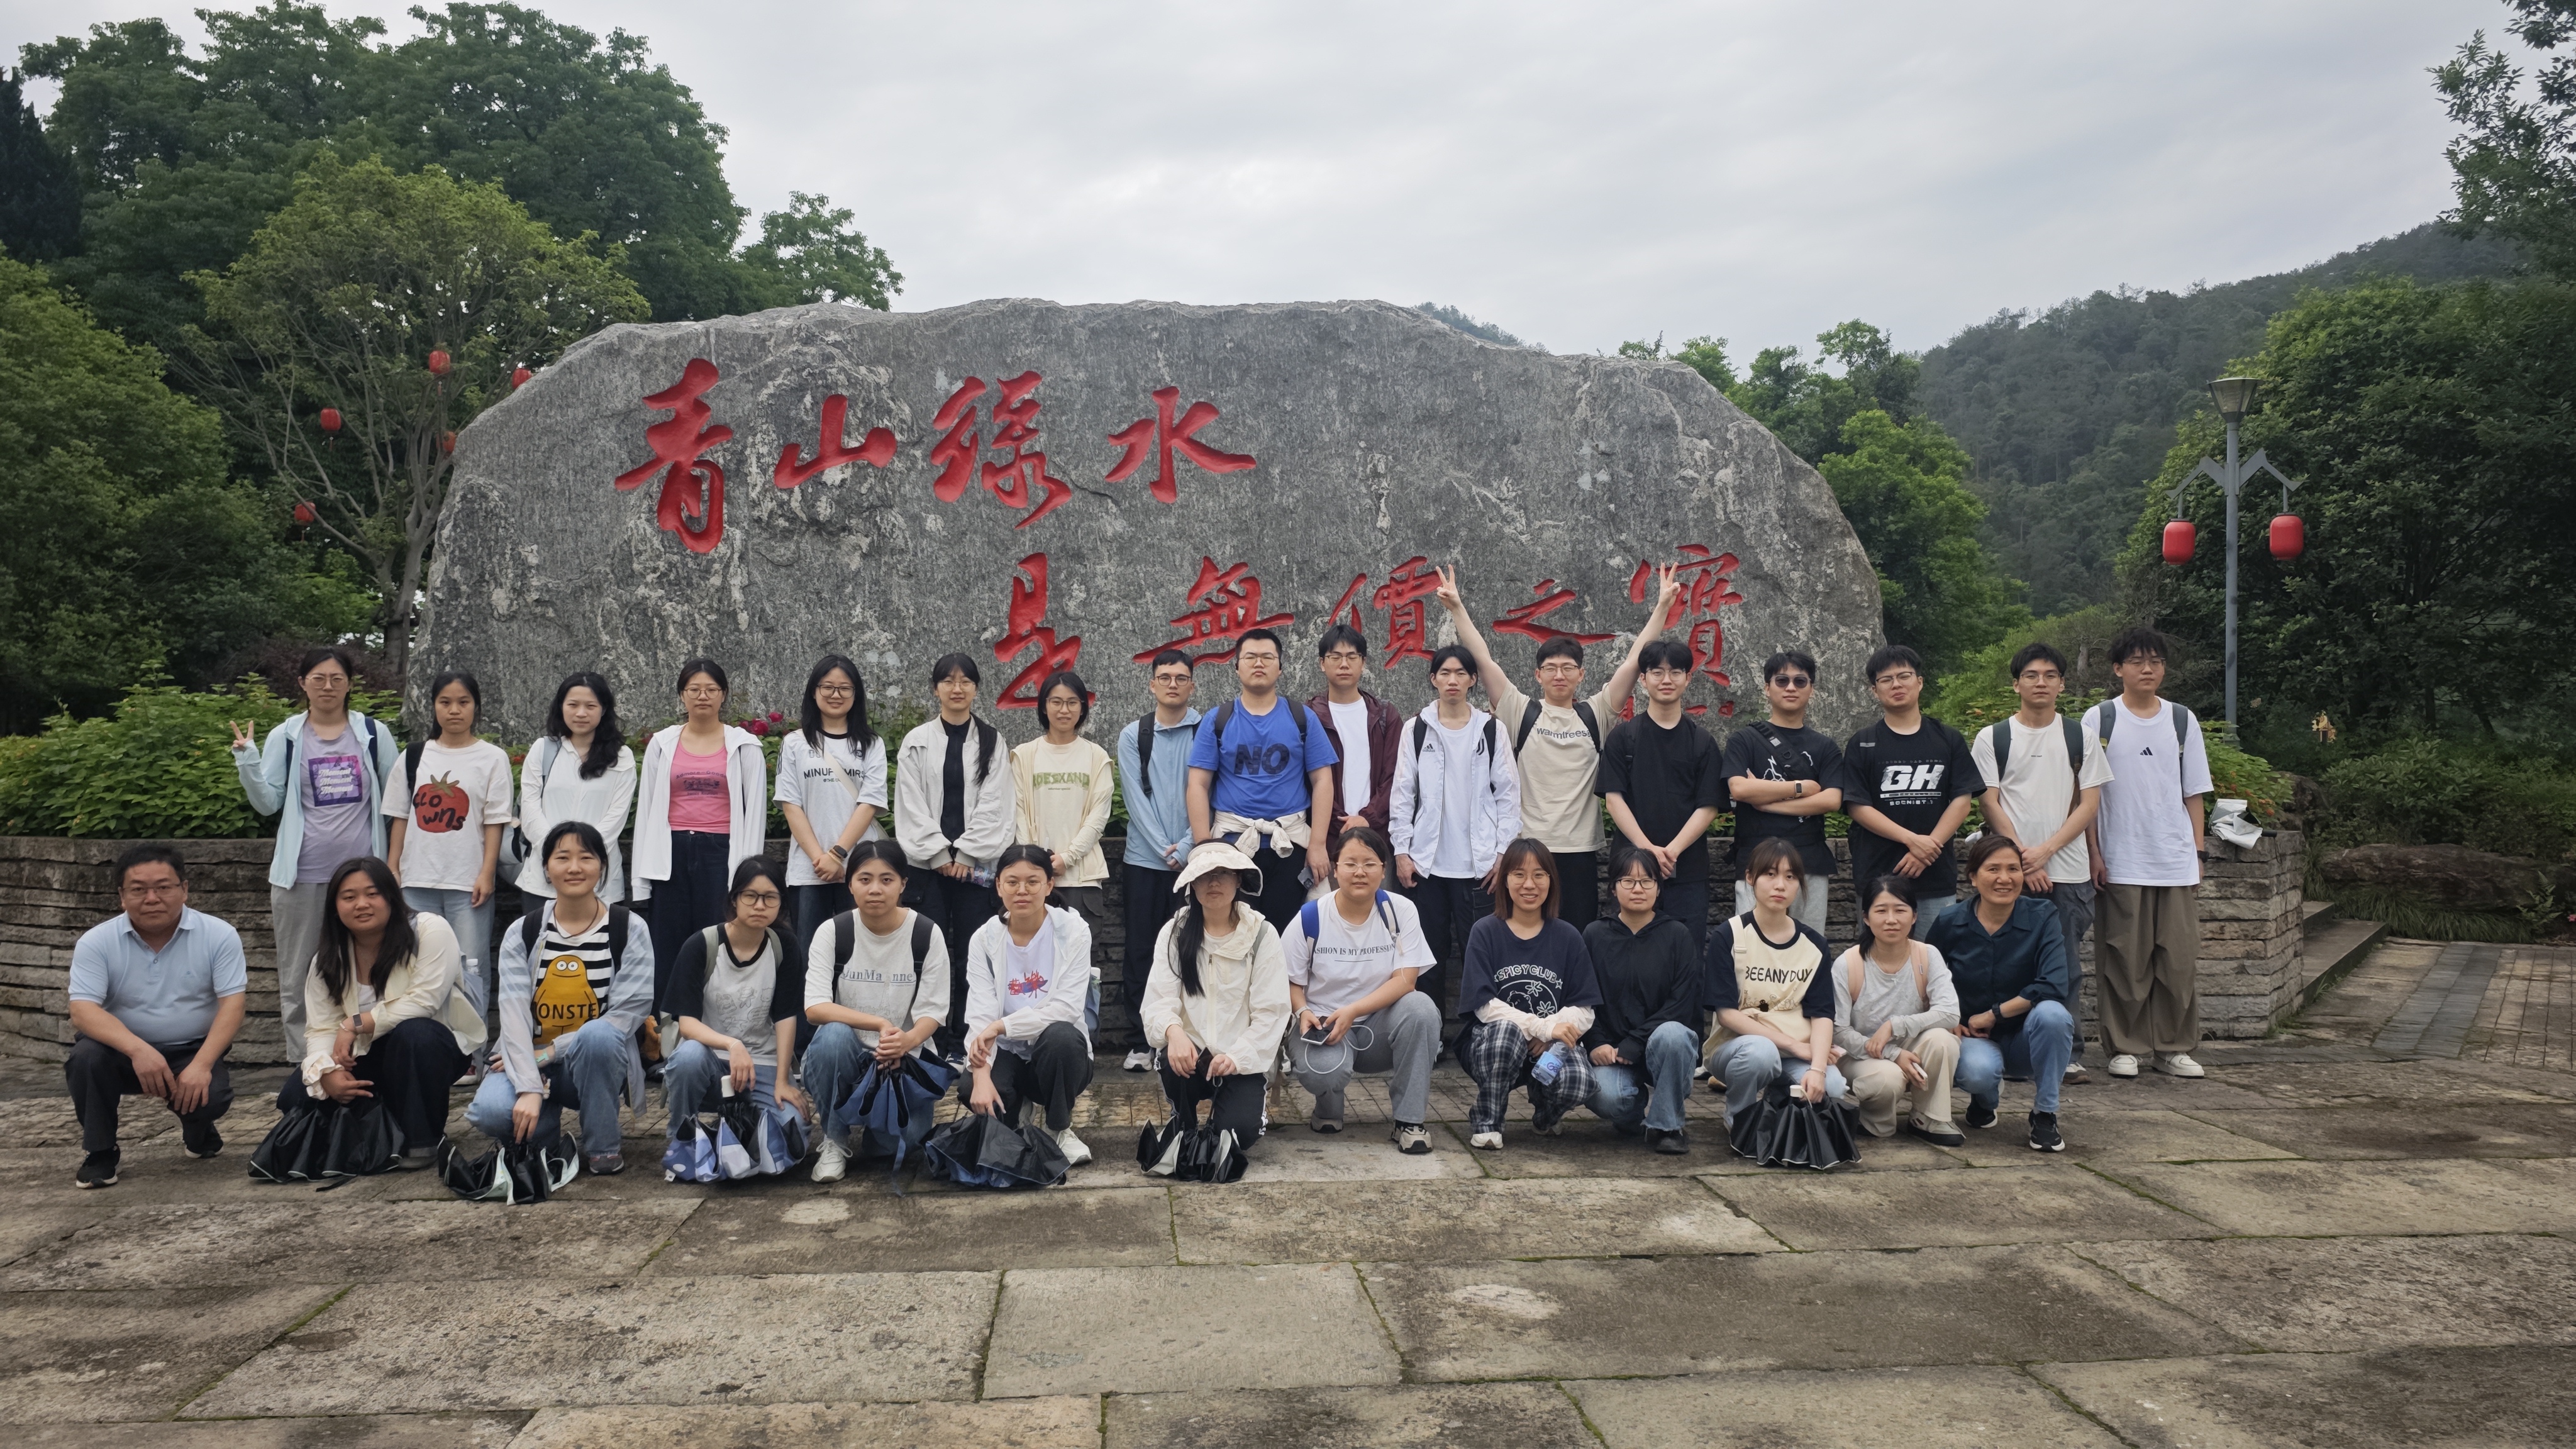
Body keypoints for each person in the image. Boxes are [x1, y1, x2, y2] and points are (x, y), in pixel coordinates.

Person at [1438, 564, 1681, 927]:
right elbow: (1484, 659)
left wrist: (1662, 605)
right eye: (1550, 668)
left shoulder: (1595, 714)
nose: (1559, 674)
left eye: (1568, 668)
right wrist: (1457, 607)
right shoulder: (1520, 711)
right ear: (1538, 675)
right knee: (1526, 932)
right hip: (1529, 849)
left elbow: (1634, 662)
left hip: (1580, 850)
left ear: (1581, 675)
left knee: (1578, 935)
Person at [231, 647, 399, 1055]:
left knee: (372, 969)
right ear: (303, 683)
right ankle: (306, 1063)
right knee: (299, 972)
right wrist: (248, 763)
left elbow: (397, 801)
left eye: (337, 679)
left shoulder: (373, 734)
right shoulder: (286, 736)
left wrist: (393, 865)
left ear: (348, 685)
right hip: (301, 876)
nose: (328, 686)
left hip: (364, 879)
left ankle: (370, 1055)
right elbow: (268, 803)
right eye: (319, 678)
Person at [469, 822, 655, 1175]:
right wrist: (528, 1085)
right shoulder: (522, 932)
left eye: (586, 857)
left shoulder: (628, 928)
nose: (574, 868)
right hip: (526, 1056)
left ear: (602, 866)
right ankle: (544, 1132)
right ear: (546, 868)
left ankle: (603, 1147)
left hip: (590, 1063)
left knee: (598, 1035)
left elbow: (626, 1016)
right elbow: (512, 1015)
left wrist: (551, 1053)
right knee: (490, 1111)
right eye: (562, 858)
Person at [64, 845, 247, 1188]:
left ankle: (198, 1126)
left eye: (164, 887)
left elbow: (233, 1005)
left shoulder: (219, 934)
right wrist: (138, 1050)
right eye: (138, 889)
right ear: (121, 896)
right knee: (86, 1058)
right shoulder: (97, 942)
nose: (152, 898)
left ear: (185, 890)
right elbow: (82, 1009)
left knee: (211, 1098)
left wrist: (202, 1065)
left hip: (190, 1050)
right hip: (123, 1053)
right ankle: (100, 1152)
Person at [1970, 641, 2113, 1082]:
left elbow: (2090, 803)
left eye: (2050, 675)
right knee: (2005, 961)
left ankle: (2066, 1054)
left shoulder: (2080, 736)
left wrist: (2048, 851)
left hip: (2066, 871)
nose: (2041, 682)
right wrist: (2020, 861)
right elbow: (1989, 801)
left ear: (2062, 684)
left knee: (2064, 966)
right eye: (2031, 675)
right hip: (2006, 874)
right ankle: (2009, 1048)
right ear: (2016, 684)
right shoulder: (1994, 737)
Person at [285, 856, 484, 1165]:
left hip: (433, 1049)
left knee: (415, 1033)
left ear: (392, 897)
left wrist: (353, 1024)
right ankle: (371, 1130)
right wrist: (327, 1072)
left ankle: (422, 1139)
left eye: (372, 894)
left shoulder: (429, 930)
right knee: (296, 1095)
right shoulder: (327, 960)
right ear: (335, 908)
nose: (361, 904)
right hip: (365, 1056)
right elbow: (321, 1029)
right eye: (349, 897)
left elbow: (424, 1001)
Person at [2086, 627, 2213, 1081]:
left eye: (2156, 661)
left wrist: (2197, 853)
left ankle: (2174, 1048)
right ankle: (2125, 1047)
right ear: (2118, 669)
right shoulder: (2100, 719)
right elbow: (2088, 796)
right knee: (2123, 959)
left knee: (2178, 960)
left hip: (2174, 859)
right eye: (2138, 661)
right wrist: (2095, 854)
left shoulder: (2182, 720)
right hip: (2122, 858)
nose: (2148, 669)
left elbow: (2194, 792)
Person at [1281, 827, 1442, 1152]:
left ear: (1383, 870)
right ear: (1335, 867)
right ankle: (1328, 1106)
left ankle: (1409, 1122)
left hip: (1379, 1028)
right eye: (1350, 863)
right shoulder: (1310, 916)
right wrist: (1303, 1011)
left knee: (1422, 1009)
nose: (1359, 872)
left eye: (1369, 864)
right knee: (1322, 1072)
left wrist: (1354, 1010)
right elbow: (1290, 982)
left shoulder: (1400, 911)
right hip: (1324, 1026)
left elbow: (1406, 980)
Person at [1389, 644, 1523, 1023]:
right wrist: (1402, 851)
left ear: (1472, 680)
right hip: (1426, 865)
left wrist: (1502, 855)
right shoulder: (1416, 729)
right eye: (1445, 673)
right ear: (1433, 679)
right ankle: (1429, 1034)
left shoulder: (1492, 729)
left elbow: (1509, 796)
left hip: (1479, 867)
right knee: (1426, 954)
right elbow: (1403, 795)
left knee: (1479, 953)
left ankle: (1477, 1033)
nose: (1452, 680)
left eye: (1461, 673)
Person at [803, 841, 950, 1180]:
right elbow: (815, 1007)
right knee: (832, 1038)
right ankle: (835, 1139)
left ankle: (874, 1126)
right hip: (848, 1055)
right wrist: (880, 1024)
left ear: (903, 885)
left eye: (887, 880)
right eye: (864, 879)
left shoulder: (926, 933)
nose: (875, 889)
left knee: (895, 1145)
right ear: (850, 883)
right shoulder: (834, 931)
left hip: (903, 1061)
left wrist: (907, 1041)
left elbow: (934, 1009)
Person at [894, 653, 1015, 1058]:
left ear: (976, 689)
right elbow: (910, 805)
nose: (957, 688)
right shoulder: (916, 741)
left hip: (974, 871)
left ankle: (966, 1039)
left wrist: (964, 854)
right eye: (948, 681)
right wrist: (938, 854)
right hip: (926, 869)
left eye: (966, 681)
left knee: (970, 952)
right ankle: (926, 1039)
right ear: (936, 688)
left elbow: (996, 805)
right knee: (926, 951)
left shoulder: (993, 741)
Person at [633, 658, 770, 1014]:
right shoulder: (662, 744)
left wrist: (748, 876)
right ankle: (666, 1034)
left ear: (723, 695)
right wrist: (641, 879)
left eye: (711, 690)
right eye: (694, 690)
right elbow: (647, 811)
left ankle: (716, 1031)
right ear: (682, 696)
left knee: (717, 943)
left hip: (720, 853)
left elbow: (754, 813)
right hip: (672, 853)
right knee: (670, 948)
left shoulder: (745, 746)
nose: (702, 696)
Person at [1926, 835, 2078, 1152]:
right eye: (1993, 869)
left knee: (2054, 1015)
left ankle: (2045, 1113)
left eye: (2013, 869)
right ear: (1973, 877)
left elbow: (2053, 984)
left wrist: (1994, 1014)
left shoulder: (2042, 916)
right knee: (1979, 1073)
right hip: (1971, 1036)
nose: (2005, 879)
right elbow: (1928, 981)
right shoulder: (1949, 921)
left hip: (2026, 1036)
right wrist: (1948, 1020)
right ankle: (1985, 1098)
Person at [1141, 841, 1291, 1153]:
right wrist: (1174, 1032)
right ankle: (1182, 1120)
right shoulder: (1175, 932)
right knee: (1173, 1056)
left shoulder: (1262, 934)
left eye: (1223, 873)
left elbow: (1272, 1012)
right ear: (1192, 883)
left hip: (1239, 1058)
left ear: (1238, 880)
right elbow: (1159, 999)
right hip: (1190, 1055)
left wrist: (1237, 1057)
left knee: (1236, 1138)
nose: (1214, 882)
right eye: (1205, 875)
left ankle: (1222, 1120)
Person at [384, 670, 515, 1017]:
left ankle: (469, 1054)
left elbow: (495, 821)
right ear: (433, 707)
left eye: (463, 702)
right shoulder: (414, 756)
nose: (454, 710)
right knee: (416, 967)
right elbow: (400, 816)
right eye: (445, 702)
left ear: (476, 708)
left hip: (467, 883)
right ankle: (423, 1046)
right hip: (416, 882)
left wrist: (487, 874)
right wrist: (393, 867)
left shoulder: (492, 758)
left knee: (470, 969)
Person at [1187, 626, 1336, 931]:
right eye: (1251, 657)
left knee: (1289, 935)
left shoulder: (1302, 718)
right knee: (1232, 932)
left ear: (1280, 668)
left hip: (1290, 845)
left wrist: (1318, 844)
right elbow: (1198, 785)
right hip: (1232, 846)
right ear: (1237, 666)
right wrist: (1205, 847)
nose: (1259, 663)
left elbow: (1323, 780)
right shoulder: (1217, 720)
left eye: (1268, 657)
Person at [1457, 840, 1601, 1150]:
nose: (1529, 884)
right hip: (1494, 1045)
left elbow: (1584, 1007)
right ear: (1504, 880)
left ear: (1552, 880)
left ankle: (1545, 1113)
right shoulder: (1485, 931)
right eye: (1519, 874)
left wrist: (1552, 1033)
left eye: (1539, 875)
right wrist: (1542, 1027)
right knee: (1506, 1034)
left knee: (1579, 1082)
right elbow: (1484, 1007)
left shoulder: (1568, 936)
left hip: (1547, 1048)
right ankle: (1488, 1121)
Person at [960, 845, 1097, 1166]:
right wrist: (980, 1076)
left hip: (1056, 1055)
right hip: (1005, 1052)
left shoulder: (1073, 932)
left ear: (1049, 886)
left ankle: (1058, 1127)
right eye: (1012, 882)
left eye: (1033, 882)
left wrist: (1002, 1025)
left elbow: (1066, 1009)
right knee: (970, 1087)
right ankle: (1017, 1112)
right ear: (998, 886)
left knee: (1062, 1037)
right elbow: (980, 1010)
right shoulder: (984, 939)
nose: (1022, 890)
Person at [663, 858, 810, 1153]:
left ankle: (740, 1130)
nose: (759, 905)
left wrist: (784, 1081)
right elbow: (687, 1024)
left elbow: (785, 1017)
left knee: (791, 1140)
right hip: (711, 1062)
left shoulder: (785, 946)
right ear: (734, 899)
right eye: (750, 896)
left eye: (770, 898)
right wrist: (732, 1045)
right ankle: (681, 1141)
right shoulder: (702, 945)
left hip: (763, 1065)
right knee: (688, 1057)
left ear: (781, 903)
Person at [1702, 839, 1845, 1130]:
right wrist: (1794, 1046)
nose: (1780, 885)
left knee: (1833, 1088)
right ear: (1750, 878)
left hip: (1795, 1052)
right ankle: (1740, 1119)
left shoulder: (1814, 945)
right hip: (1736, 1049)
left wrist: (1817, 1068)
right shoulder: (1728, 935)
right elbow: (1727, 1014)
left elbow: (1822, 1015)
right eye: (1770, 874)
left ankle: (1778, 1098)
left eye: (1790, 877)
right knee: (1761, 1053)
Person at [1841, 645, 1982, 939]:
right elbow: (1857, 805)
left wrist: (1928, 848)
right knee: (1877, 965)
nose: (1896, 684)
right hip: (1878, 876)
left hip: (1935, 876)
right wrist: (1911, 840)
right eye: (1886, 679)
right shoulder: (1863, 743)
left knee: (1933, 965)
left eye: (1904, 676)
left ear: (1919, 682)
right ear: (1874, 690)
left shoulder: (1948, 738)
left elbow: (1962, 800)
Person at [1599, 640, 1728, 946]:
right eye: (1657, 672)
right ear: (1643, 680)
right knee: (1625, 954)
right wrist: (1648, 853)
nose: (1666, 680)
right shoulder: (1623, 738)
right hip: (1630, 874)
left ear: (1688, 678)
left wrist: (1670, 853)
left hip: (1687, 873)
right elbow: (1613, 799)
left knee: (1686, 956)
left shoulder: (1702, 742)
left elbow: (1708, 806)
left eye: (1675, 672)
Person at [1579, 845, 1704, 1153]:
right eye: (1628, 881)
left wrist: (1636, 1042)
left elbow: (1682, 1002)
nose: (1638, 889)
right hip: (1611, 1052)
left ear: (1659, 889)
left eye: (1647, 881)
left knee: (1674, 1035)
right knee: (1608, 1096)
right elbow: (1583, 998)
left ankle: (1667, 1127)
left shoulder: (1677, 935)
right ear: (1613, 887)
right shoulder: (1594, 935)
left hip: (1662, 1051)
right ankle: (1630, 1115)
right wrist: (1595, 1043)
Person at [1114, 650, 1203, 1072]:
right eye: (1164, 677)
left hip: (1196, 859)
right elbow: (1134, 798)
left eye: (1181, 678)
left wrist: (1186, 847)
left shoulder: (1207, 731)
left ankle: (1188, 1035)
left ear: (1192, 685)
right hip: (1143, 862)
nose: (1172, 684)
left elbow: (1212, 789)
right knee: (1141, 950)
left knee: (1192, 948)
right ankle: (1140, 1040)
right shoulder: (1135, 734)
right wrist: (1165, 849)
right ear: (1151, 684)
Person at [1831, 877, 1964, 1146]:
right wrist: (1892, 1053)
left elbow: (1950, 1012)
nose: (1891, 919)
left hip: (1910, 1043)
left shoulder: (1928, 956)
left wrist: (1896, 1025)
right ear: (1866, 918)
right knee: (1887, 1077)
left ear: (1914, 916)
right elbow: (1839, 1031)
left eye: (1900, 910)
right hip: (1860, 1054)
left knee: (1942, 1040)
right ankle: (1876, 1121)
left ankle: (1929, 1117)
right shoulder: (1849, 963)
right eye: (1881, 911)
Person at [1723, 651, 1844, 935]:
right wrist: (1802, 789)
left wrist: (1766, 802)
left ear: (1811, 689)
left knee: (1809, 949)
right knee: (1751, 950)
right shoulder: (1744, 740)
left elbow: (1831, 800)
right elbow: (1739, 788)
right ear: (1768, 687)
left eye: (1800, 681)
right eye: (1782, 680)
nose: (1791, 688)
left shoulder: (1825, 747)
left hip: (1809, 862)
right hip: (1756, 862)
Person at [777, 654, 887, 947]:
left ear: (856, 694)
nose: (836, 695)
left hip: (860, 868)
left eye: (845, 688)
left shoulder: (871, 744)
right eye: (828, 687)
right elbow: (791, 805)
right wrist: (821, 859)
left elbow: (870, 803)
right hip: (809, 870)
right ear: (814, 692)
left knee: (859, 953)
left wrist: (837, 855)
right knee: (809, 954)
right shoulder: (795, 743)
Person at [1012, 667, 1115, 946]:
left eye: (1072, 702)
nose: (1064, 710)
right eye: (1056, 702)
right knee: (1033, 961)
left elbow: (1098, 817)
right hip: (1033, 881)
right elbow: (1018, 812)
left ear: (1082, 708)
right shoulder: (1024, 756)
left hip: (1081, 880)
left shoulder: (1096, 756)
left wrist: (1067, 858)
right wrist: (1036, 863)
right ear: (1044, 707)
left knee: (1081, 967)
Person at [514, 672, 637, 904]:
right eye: (573, 705)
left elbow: (616, 817)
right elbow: (530, 808)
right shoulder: (543, 750)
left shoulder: (621, 757)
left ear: (604, 710)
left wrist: (584, 858)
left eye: (591, 706)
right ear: (561, 707)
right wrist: (557, 855)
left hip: (600, 883)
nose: (581, 713)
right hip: (543, 881)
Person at [1307, 623, 1401, 863]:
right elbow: (1305, 780)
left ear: (1363, 662)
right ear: (1322, 663)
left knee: (1378, 901)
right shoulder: (1308, 717)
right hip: (1327, 841)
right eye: (1335, 657)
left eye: (1352, 657)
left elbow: (1396, 776)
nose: (1344, 664)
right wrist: (1339, 819)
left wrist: (1367, 817)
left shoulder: (1384, 716)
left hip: (1377, 838)